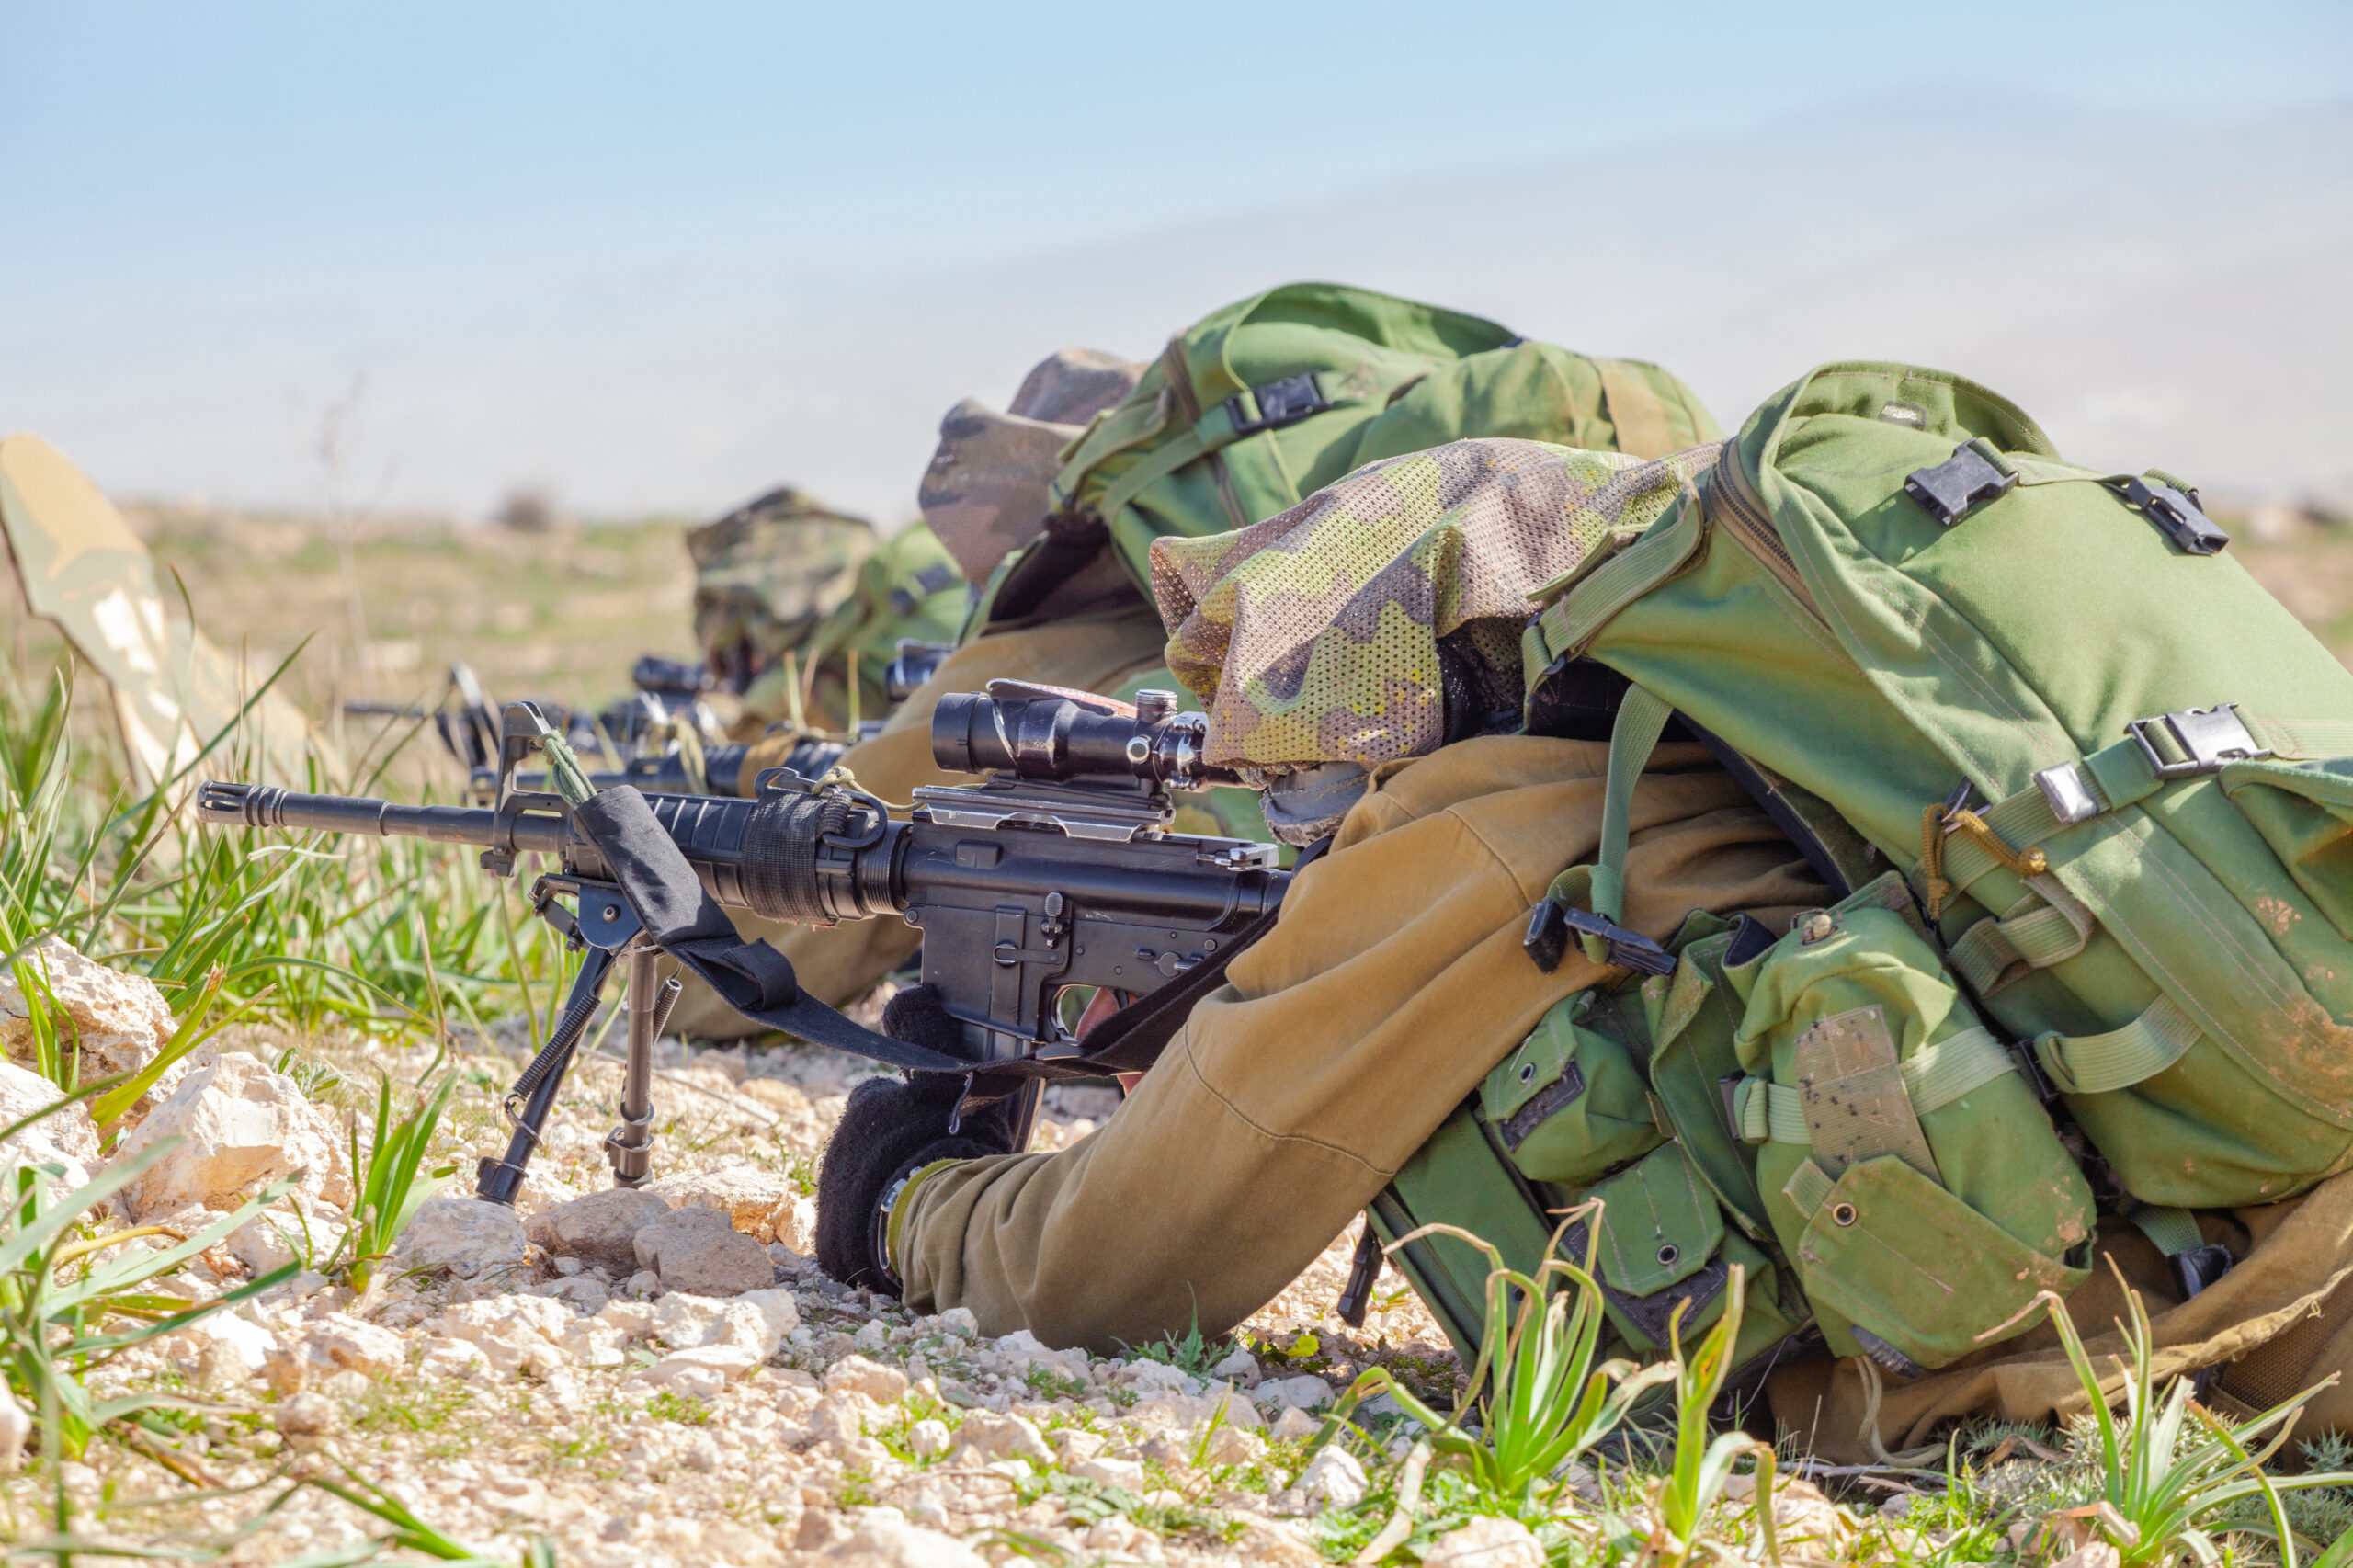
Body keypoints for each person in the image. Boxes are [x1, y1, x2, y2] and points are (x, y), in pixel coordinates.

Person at [814, 426, 2353, 1461]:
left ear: (1421, 677)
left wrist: (906, 1195)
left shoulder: (1495, 827)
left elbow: (1110, 1266)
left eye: (1305, 753)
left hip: (2114, 1381)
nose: (1289, 801)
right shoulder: (1834, 757)